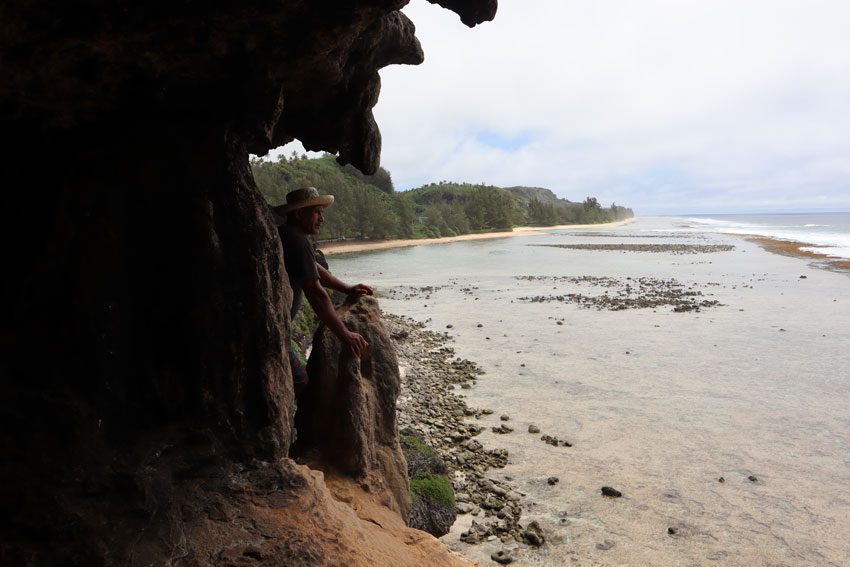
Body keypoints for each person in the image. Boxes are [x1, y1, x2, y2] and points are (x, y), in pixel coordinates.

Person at [273, 186, 373, 396]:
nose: (322, 218)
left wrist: (346, 288)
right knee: (300, 384)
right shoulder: (298, 241)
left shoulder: (289, 234)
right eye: (317, 212)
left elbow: (314, 269)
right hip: (275, 334)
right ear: (300, 214)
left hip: (278, 329)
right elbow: (316, 294)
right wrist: (345, 335)